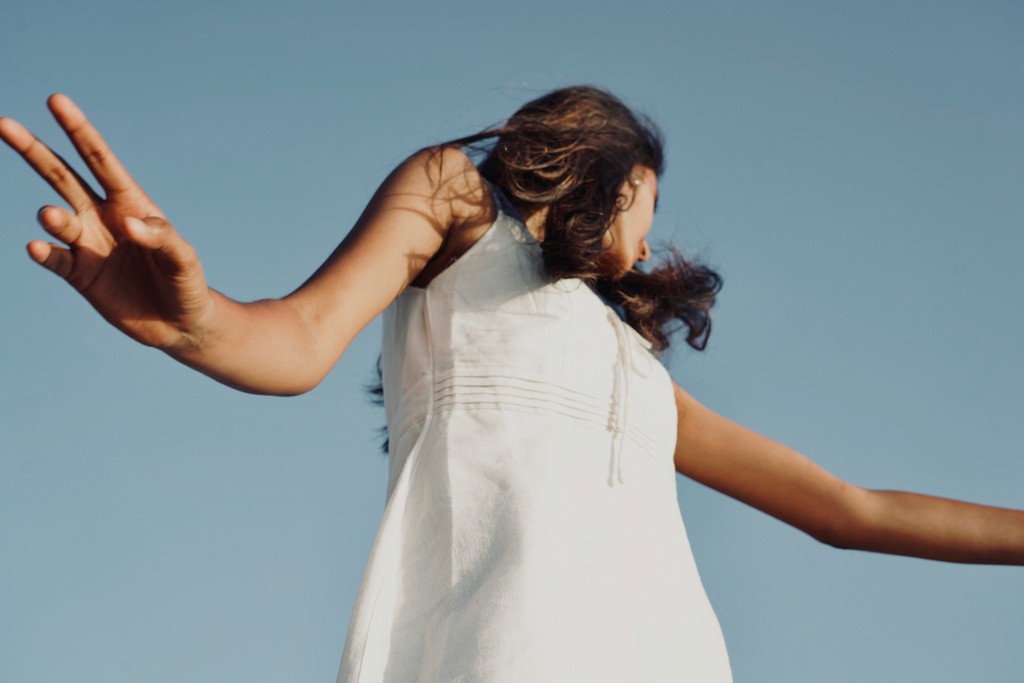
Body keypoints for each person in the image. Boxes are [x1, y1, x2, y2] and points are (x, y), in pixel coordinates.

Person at [2, 86, 1022, 682]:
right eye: (648, 203)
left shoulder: (632, 367)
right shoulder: (454, 195)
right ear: (611, 170)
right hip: (498, 647)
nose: (649, 237)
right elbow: (300, 342)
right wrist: (199, 319)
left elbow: (848, 508)